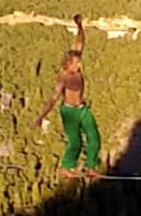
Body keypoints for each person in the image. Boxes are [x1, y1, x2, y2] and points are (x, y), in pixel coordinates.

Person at [32, 14, 102, 178]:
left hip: (82, 109)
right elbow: (54, 98)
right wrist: (41, 116)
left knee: (94, 137)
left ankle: (90, 167)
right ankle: (66, 167)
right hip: (70, 111)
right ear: (69, 64)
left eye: (79, 62)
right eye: (77, 63)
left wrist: (79, 27)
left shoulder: (76, 66)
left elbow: (79, 44)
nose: (80, 64)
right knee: (75, 142)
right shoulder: (64, 77)